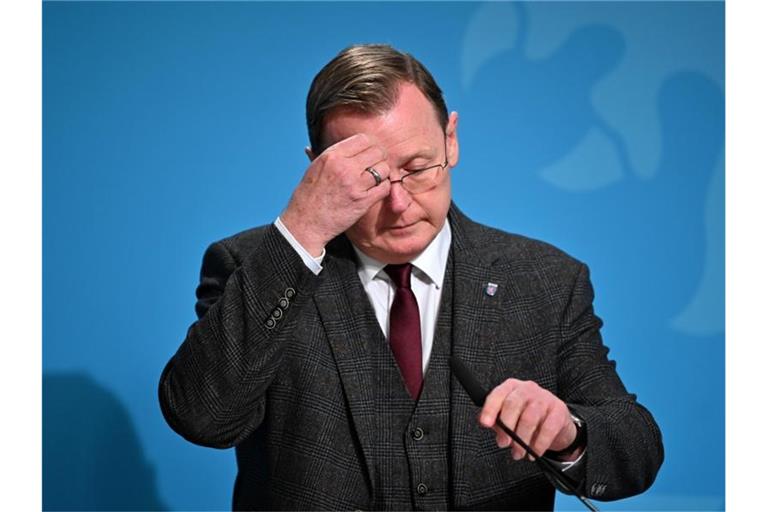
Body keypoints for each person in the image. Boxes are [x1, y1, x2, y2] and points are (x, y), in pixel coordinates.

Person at [158, 44, 663, 510]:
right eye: (368, 180)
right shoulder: (252, 266)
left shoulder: (545, 280)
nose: (399, 204)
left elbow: (635, 449)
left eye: (419, 168)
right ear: (317, 170)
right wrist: (303, 228)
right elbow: (202, 417)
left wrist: (568, 433)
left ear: (451, 140)